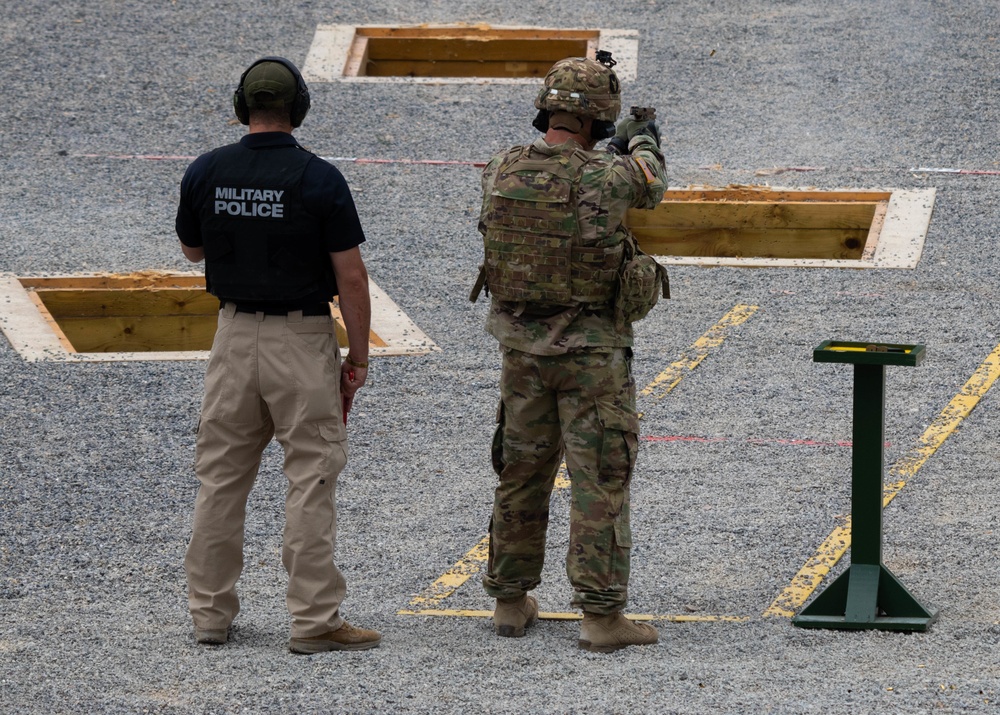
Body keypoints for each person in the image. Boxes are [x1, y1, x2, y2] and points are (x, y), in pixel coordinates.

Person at [175, 56, 379, 654]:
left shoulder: (206, 170)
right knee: (310, 479)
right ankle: (313, 621)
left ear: (244, 108)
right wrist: (358, 359)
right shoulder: (318, 178)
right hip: (301, 340)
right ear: (299, 110)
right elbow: (352, 279)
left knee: (220, 480)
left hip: (233, 337)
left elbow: (192, 251)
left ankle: (210, 616)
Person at [471, 53, 669, 653]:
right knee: (599, 478)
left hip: (521, 352)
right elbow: (650, 182)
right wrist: (645, 140)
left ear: (547, 111)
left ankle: (510, 599)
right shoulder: (609, 177)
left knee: (520, 471)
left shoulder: (501, 168)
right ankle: (602, 617)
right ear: (601, 120)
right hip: (592, 356)